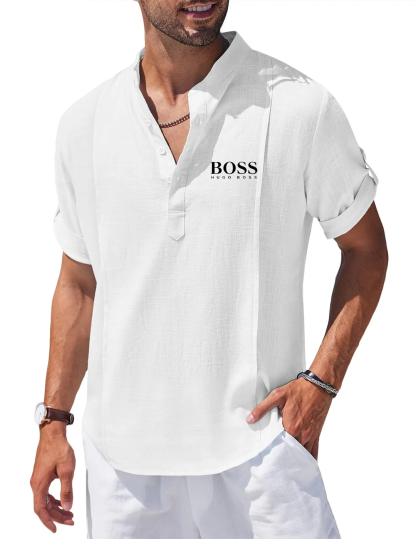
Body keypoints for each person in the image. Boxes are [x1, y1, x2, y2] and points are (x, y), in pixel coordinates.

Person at [30, 1, 388, 537]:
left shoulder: (298, 107)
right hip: (123, 471)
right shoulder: (85, 125)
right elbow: (80, 284)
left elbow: (365, 248)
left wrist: (322, 383)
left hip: (263, 454)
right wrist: (53, 423)